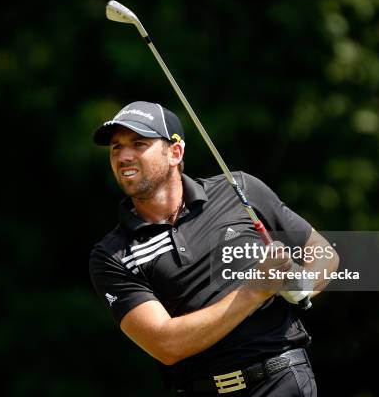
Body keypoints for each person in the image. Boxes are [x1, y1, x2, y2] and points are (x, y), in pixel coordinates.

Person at [89, 101, 339, 396]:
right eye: (116, 148)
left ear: (175, 152)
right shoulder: (113, 254)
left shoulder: (239, 189)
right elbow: (166, 344)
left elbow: (324, 252)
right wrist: (255, 290)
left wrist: (303, 285)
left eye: (139, 144)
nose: (124, 156)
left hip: (280, 379)